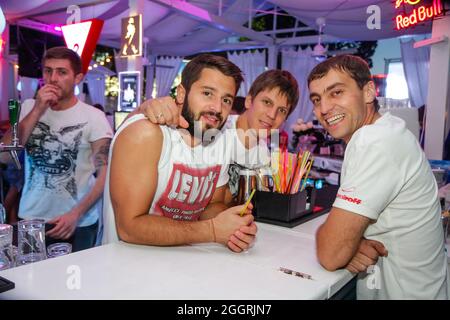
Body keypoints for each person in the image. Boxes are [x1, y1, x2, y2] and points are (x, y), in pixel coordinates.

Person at [307, 55, 449, 299]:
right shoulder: (387, 129)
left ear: (369, 91)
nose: (324, 108)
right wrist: (352, 241)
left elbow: (330, 253)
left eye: (336, 92)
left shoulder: (374, 141)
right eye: (317, 99)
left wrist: (343, 242)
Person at [103, 54, 257, 252]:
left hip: (180, 266)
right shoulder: (147, 133)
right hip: (125, 269)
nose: (217, 108)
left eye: (226, 100)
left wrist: (233, 225)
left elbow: (213, 204)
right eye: (208, 93)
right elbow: (128, 227)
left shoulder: (219, 139)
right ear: (182, 94)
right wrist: (212, 230)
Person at [1, 47, 113, 252]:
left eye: (62, 72)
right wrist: (38, 109)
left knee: (75, 282)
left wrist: (76, 214)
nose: (52, 78)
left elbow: (105, 173)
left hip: (77, 222)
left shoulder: (93, 117)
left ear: (78, 77)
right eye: (47, 71)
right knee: (30, 279)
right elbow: (6, 156)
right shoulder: (28, 107)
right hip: (31, 218)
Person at [140, 69, 299, 202]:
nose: (272, 115)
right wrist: (146, 107)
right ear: (249, 101)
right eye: (267, 102)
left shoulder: (264, 155)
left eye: (282, 111)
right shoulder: (213, 128)